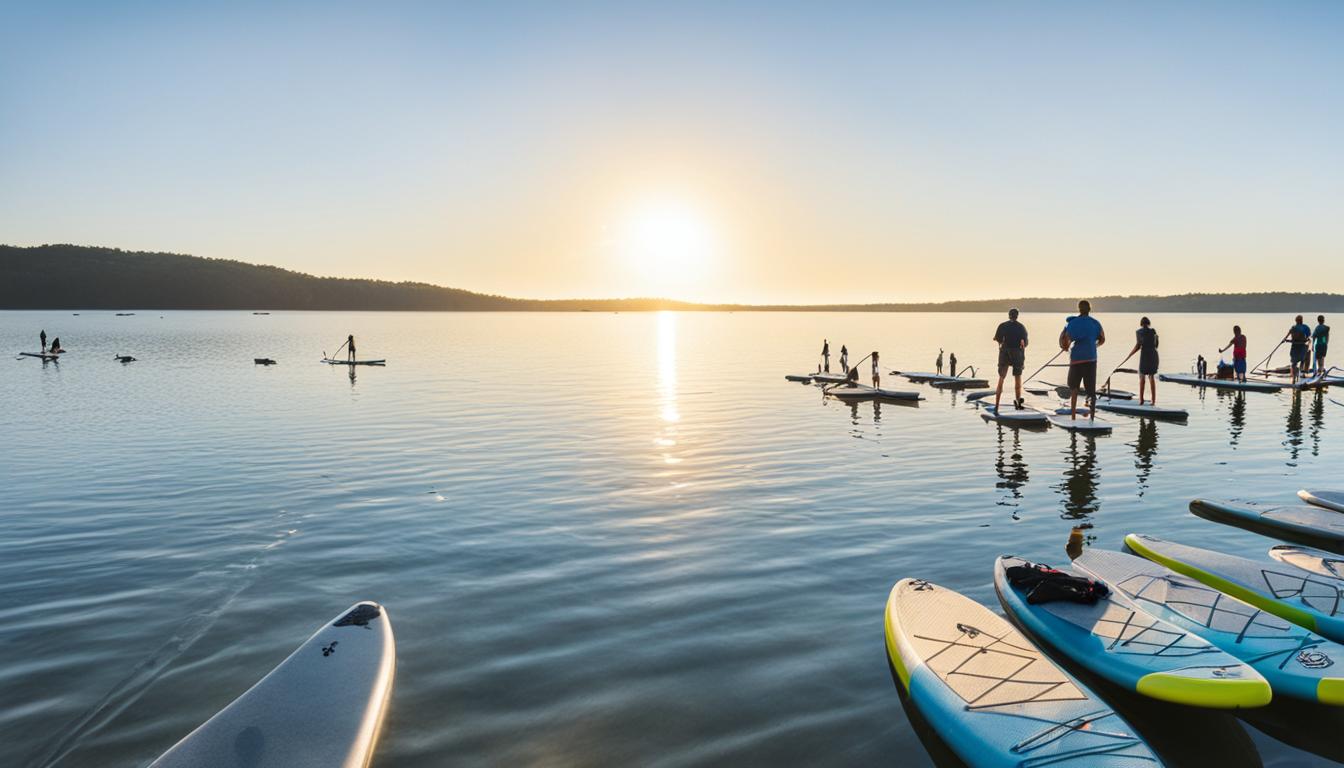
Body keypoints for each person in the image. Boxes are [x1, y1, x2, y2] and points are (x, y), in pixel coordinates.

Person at [1058, 300, 1105, 419]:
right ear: (1090, 309)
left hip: (1077, 359)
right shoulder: (1096, 323)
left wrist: (1066, 346)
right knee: (1091, 391)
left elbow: (1065, 342)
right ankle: (1092, 418)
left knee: (1074, 388)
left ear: (1079, 309)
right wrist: (1095, 345)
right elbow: (1102, 339)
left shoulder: (1073, 323)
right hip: (1091, 358)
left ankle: (1073, 416)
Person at [992, 308, 1028, 410]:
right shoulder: (1021, 327)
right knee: (1017, 378)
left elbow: (998, 339)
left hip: (1005, 353)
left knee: (1001, 378)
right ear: (1017, 316)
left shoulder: (1002, 326)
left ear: (1009, 315)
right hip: (1017, 353)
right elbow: (1025, 343)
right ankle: (1018, 403)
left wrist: (997, 339)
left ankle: (996, 406)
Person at [1131, 317, 1159, 405]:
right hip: (1153, 355)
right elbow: (1156, 345)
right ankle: (1153, 401)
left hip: (1145, 355)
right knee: (1151, 377)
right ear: (1148, 323)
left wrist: (1130, 354)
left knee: (1142, 377)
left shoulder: (1138, 332)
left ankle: (1141, 400)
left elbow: (1138, 345)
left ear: (1141, 324)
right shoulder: (1153, 331)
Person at [1284, 315, 1312, 385]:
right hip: (1302, 346)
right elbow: (1308, 335)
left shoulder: (1293, 327)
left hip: (1294, 347)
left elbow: (1287, 336)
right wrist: (1307, 339)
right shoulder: (1305, 327)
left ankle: (1294, 377)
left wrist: (1284, 340)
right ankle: (1301, 373)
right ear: (1302, 320)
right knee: (1303, 359)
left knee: (1294, 362)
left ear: (1296, 321)